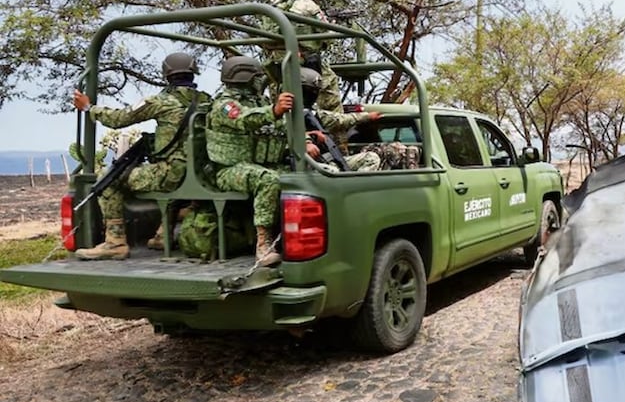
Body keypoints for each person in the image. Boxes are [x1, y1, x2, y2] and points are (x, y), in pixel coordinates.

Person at [72, 52, 210, 260]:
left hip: (171, 174)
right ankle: (163, 236)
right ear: (193, 73)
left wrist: (89, 108)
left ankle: (115, 243)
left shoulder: (161, 101)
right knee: (168, 176)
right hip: (202, 173)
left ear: (167, 74)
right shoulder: (208, 101)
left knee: (109, 182)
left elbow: (119, 119)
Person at [205, 55, 294, 267]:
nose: (261, 81)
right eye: (257, 77)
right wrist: (274, 111)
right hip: (229, 170)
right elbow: (246, 119)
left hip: (256, 165)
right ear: (245, 77)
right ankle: (264, 245)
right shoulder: (225, 105)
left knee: (300, 174)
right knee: (268, 180)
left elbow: (278, 126)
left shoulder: (258, 101)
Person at [298, 67, 420, 171]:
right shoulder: (288, 114)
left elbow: (339, 119)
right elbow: (286, 134)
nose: (313, 94)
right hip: (313, 166)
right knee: (365, 160)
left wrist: (367, 117)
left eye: (315, 91)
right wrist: (307, 139)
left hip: (328, 159)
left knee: (383, 154)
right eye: (310, 90)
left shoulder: (313, 114)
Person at [261, 0, 343, 113]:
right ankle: (337, 135)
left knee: (282, 105)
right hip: (306, 63)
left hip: (277, 65)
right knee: (331, 100)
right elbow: (327, 37)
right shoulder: (308, 5)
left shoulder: (269, 7)